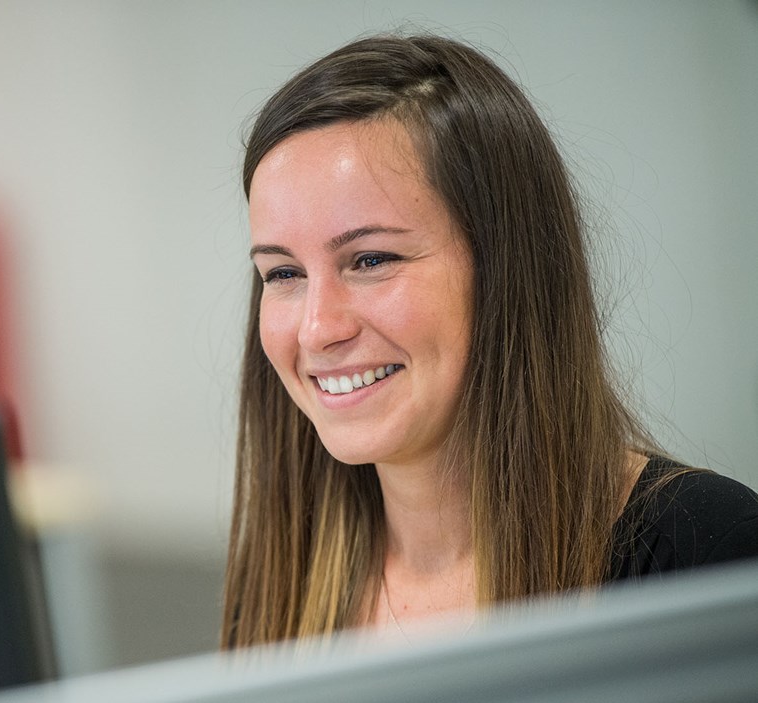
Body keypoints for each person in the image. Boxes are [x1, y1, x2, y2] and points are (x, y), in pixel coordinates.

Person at [221, 34, 758, 649]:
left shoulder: (710, 554)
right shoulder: (282, 585)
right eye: (284, 273)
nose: (319, 328)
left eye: (370, 259)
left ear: (508, 268)